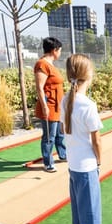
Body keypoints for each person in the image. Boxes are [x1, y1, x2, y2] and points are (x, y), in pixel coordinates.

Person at [60, 53, 112, 224]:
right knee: (90, 204)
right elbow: (97, 140)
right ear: (88, 76)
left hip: (73, 162)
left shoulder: (66, 99)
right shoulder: (88, 105)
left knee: (77, 197)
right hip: (87, 164)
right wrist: (99, 160)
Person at [34, 37, 67, 173]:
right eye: (59, 50)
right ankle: (48, 162)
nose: (60, 53)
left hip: (58, 106)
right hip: (50, 106)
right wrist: (45, 107)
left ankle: (62, 154)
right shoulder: (42, 65)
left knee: (59, 134)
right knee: (49, 136)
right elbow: (40, 87)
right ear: (54, 50)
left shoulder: (50, 64)